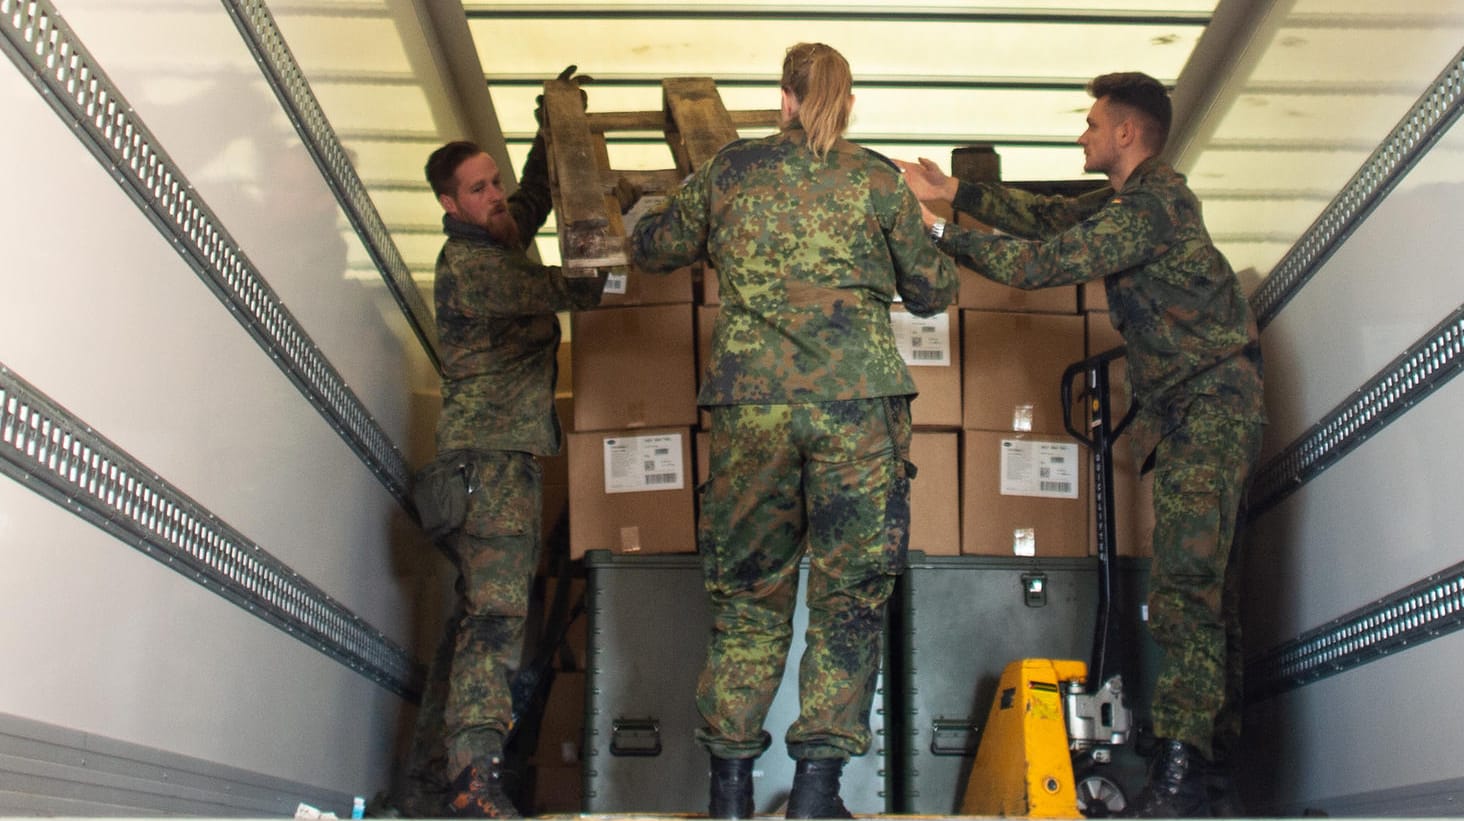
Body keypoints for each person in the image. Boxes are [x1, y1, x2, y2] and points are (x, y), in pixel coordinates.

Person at [897, 72, 1264, 817]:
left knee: (1187, 593)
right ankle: (1212, 772)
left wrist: (933, 232)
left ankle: (1182, 776)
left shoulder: (1155, 208)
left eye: (1093, 125)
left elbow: (1043, 265)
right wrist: (952, 191)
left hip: (1212, 405)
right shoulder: (1132, 201)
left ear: (1128, 133)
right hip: (1197, 407)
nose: (1082, 135)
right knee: (1208, 595)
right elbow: (1049, 219)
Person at [629, 42, 958, 820]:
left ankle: (732, 799)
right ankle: (815, 801)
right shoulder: (876, 179)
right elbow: (933, 289)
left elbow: (652, 251)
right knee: (848, 598)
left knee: (748, 595)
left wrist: (658, 209)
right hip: (858, 412)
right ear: (847, 107)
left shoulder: (730, 173)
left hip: (752, 408)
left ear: (782, 97)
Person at [401, 70, 606, 819]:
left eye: (493, 181)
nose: (495, 197)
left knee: (469, 624)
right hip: (488, 467)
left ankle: (430, 779)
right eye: (479, 190)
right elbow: (579, 289)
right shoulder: (474, 268)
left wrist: (550, 119)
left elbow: (533, 197)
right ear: (449, 206)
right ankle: (473, 780)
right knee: (495, 624)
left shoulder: (498, 233)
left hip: (488, 464)